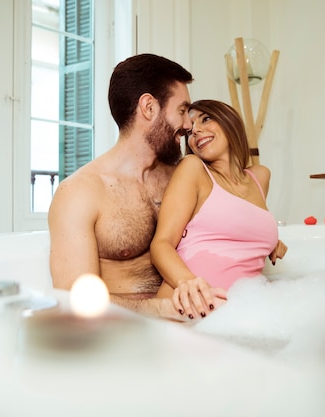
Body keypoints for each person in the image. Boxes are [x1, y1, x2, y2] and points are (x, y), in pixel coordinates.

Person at [48, 54, 222, 321]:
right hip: (123, 332)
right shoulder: (80, 193)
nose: (188, 125)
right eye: (182, 110)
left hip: (193, 323)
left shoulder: (183, 178)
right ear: (149, 107)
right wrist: (164, 309)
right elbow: (74, 299)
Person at [150, 99, 288, 320]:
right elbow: (161, 244)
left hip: (242, 314)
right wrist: (190, 285)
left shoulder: (260, 176)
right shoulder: (193, 169)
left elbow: (243, 224)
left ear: (229, 121)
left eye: (206, 119)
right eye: (191, 131)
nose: (196, 131)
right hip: (190, 311)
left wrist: (272, 242)